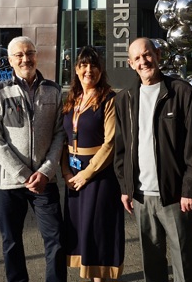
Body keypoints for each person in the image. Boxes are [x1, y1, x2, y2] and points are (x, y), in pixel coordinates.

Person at [114, 37, 192, 282]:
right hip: (141, 196)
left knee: (183, 260)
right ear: (130, 64)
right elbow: (121, 149)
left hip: (175, 195)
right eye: (137, 58)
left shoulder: (181, 92)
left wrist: (190, 189)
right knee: (151, 261)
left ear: (157, 55)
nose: (144, 61)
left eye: (147, 55)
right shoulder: (124, 99)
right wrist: (126, 188)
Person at [0, 36, 66, 282]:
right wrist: (24, 174)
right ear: (10, 60)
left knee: (56, 238)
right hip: (7, 183)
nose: (25, 59)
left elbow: (60, 133)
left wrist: (46, 171)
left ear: (36, 56)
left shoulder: (53, 90)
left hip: (45, 181)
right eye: (18, 55)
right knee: (11, 241)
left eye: (29, 53)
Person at [61, 46, 125, 281]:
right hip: (74, 175)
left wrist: (85, 174)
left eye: (94, 65)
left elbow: (111, 143)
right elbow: (63, 139)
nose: (89, 70)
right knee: (82, 229)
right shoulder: (72, 99)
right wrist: (66, 172)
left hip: (98, 176)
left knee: (98, 230)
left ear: (101, 70)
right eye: (84, 65)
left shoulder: (109, 98)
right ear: (76, 69)